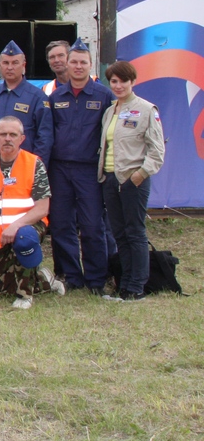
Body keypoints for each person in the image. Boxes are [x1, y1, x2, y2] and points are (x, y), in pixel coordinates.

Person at [0, 116, 63, 309]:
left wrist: (16, 226)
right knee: (1, 290)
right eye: (3, 134)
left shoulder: (34, 163)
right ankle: (44, 278)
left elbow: (43, 207)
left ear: (22, 138)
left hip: (26, 228)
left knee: (24, 238)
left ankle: (25, 296)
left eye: (13, 135)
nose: (8, 139)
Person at [48, 39, 115, 293]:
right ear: (67, 63)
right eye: (73, 62)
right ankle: (71, 277)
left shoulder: (104, 95)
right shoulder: (56, 97)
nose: (77, 67)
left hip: (89, 170)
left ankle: (97, 279)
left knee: (92, 225)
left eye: (82, 62)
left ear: (90, 65)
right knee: (62, 224)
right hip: (60, 170)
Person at [99, 60, 165, 301]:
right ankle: (123, 284)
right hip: (109, 178)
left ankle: (137, 286)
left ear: (132, 82)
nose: (118, 86)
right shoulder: (110, 110)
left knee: (135, 232)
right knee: (119, 233)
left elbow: (157, 150)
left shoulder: (147, 109)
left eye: (123, 81)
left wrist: (140, 174)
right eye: (114, 81)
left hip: (133, 179)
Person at [0, 40, 53, 166]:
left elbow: (44, 138)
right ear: (0, 65)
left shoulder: (37, 97)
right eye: (6, 63)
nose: (10, 67)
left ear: (23, 65)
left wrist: (37, 168)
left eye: (15, 63)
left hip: (23, 167)